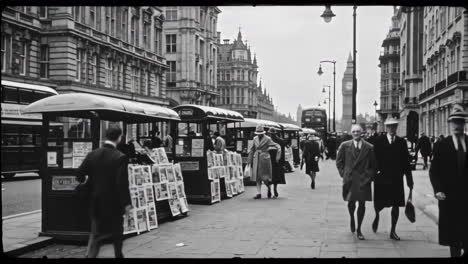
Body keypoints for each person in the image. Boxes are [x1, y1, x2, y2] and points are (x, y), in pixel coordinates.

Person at [76, 126, 132, 258]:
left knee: (96, 233)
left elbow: (79, 174)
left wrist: (89, 182)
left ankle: (91, 256)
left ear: (106, 136)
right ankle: (118, 255)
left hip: (96, 201)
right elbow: (121, 184)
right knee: (117, 233)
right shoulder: (120, 157)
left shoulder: (93, 154)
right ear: (119, 137)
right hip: (114, 204)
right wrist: (126, 203)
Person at [429, 105, 468, 257]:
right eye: (454, 122)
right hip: (449, 198)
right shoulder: (442, 145)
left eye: (460, 122)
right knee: (454, 238)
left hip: (466, 198)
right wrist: (437, 190)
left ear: (464, 124)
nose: (457, 125)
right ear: (450, 124)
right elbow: (434, 171)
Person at [372, 117, 414, 240]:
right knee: (379, 202)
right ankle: (377, 215)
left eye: (394, 126)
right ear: (386, 127)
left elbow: (406, 162)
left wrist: (409, 180)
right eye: (389, 126)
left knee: (395, 205)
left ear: (396, 128)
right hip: (382, 177)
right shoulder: (379, 141)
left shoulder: (401, 142)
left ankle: (393, 230)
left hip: (396, 178)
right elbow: (374, 159)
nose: (392, 129)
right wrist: (374, 174)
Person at [336, 124, 377, 240]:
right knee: (351, 203)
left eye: (358, 131)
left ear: (362, 132)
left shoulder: (369, 147)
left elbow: (374, 165)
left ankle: (359, 229)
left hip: (364, 179)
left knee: (362, 204)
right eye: (353, 131)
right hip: (350, 178)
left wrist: (369, 176)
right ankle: (352, 218)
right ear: (351, 132)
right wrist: (343, 174)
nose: (356, 133)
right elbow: (339, 162)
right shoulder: (344, 146)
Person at [247, 124, 281, 199]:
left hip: (265, 159)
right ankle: (259, 193)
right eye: (258, 134)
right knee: (257, 177)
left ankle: (268, 188)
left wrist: (278, 155)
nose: (259, 135)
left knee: (265, 177)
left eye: (260, 134)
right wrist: (249, 159)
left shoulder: (268, 139)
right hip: (256, 158)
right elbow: (252, 149)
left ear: (263, 133)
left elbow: (277, 146)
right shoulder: (255, 138)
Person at [267, 127, 286, 198]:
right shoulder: (281, 141)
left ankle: (269, 188)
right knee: (276, 175)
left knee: (268, 174)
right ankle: (275, 189)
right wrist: (283, 163)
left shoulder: (267, 140)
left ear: (269, 133)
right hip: (277, 160)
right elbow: (283, 153)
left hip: (268, 159)